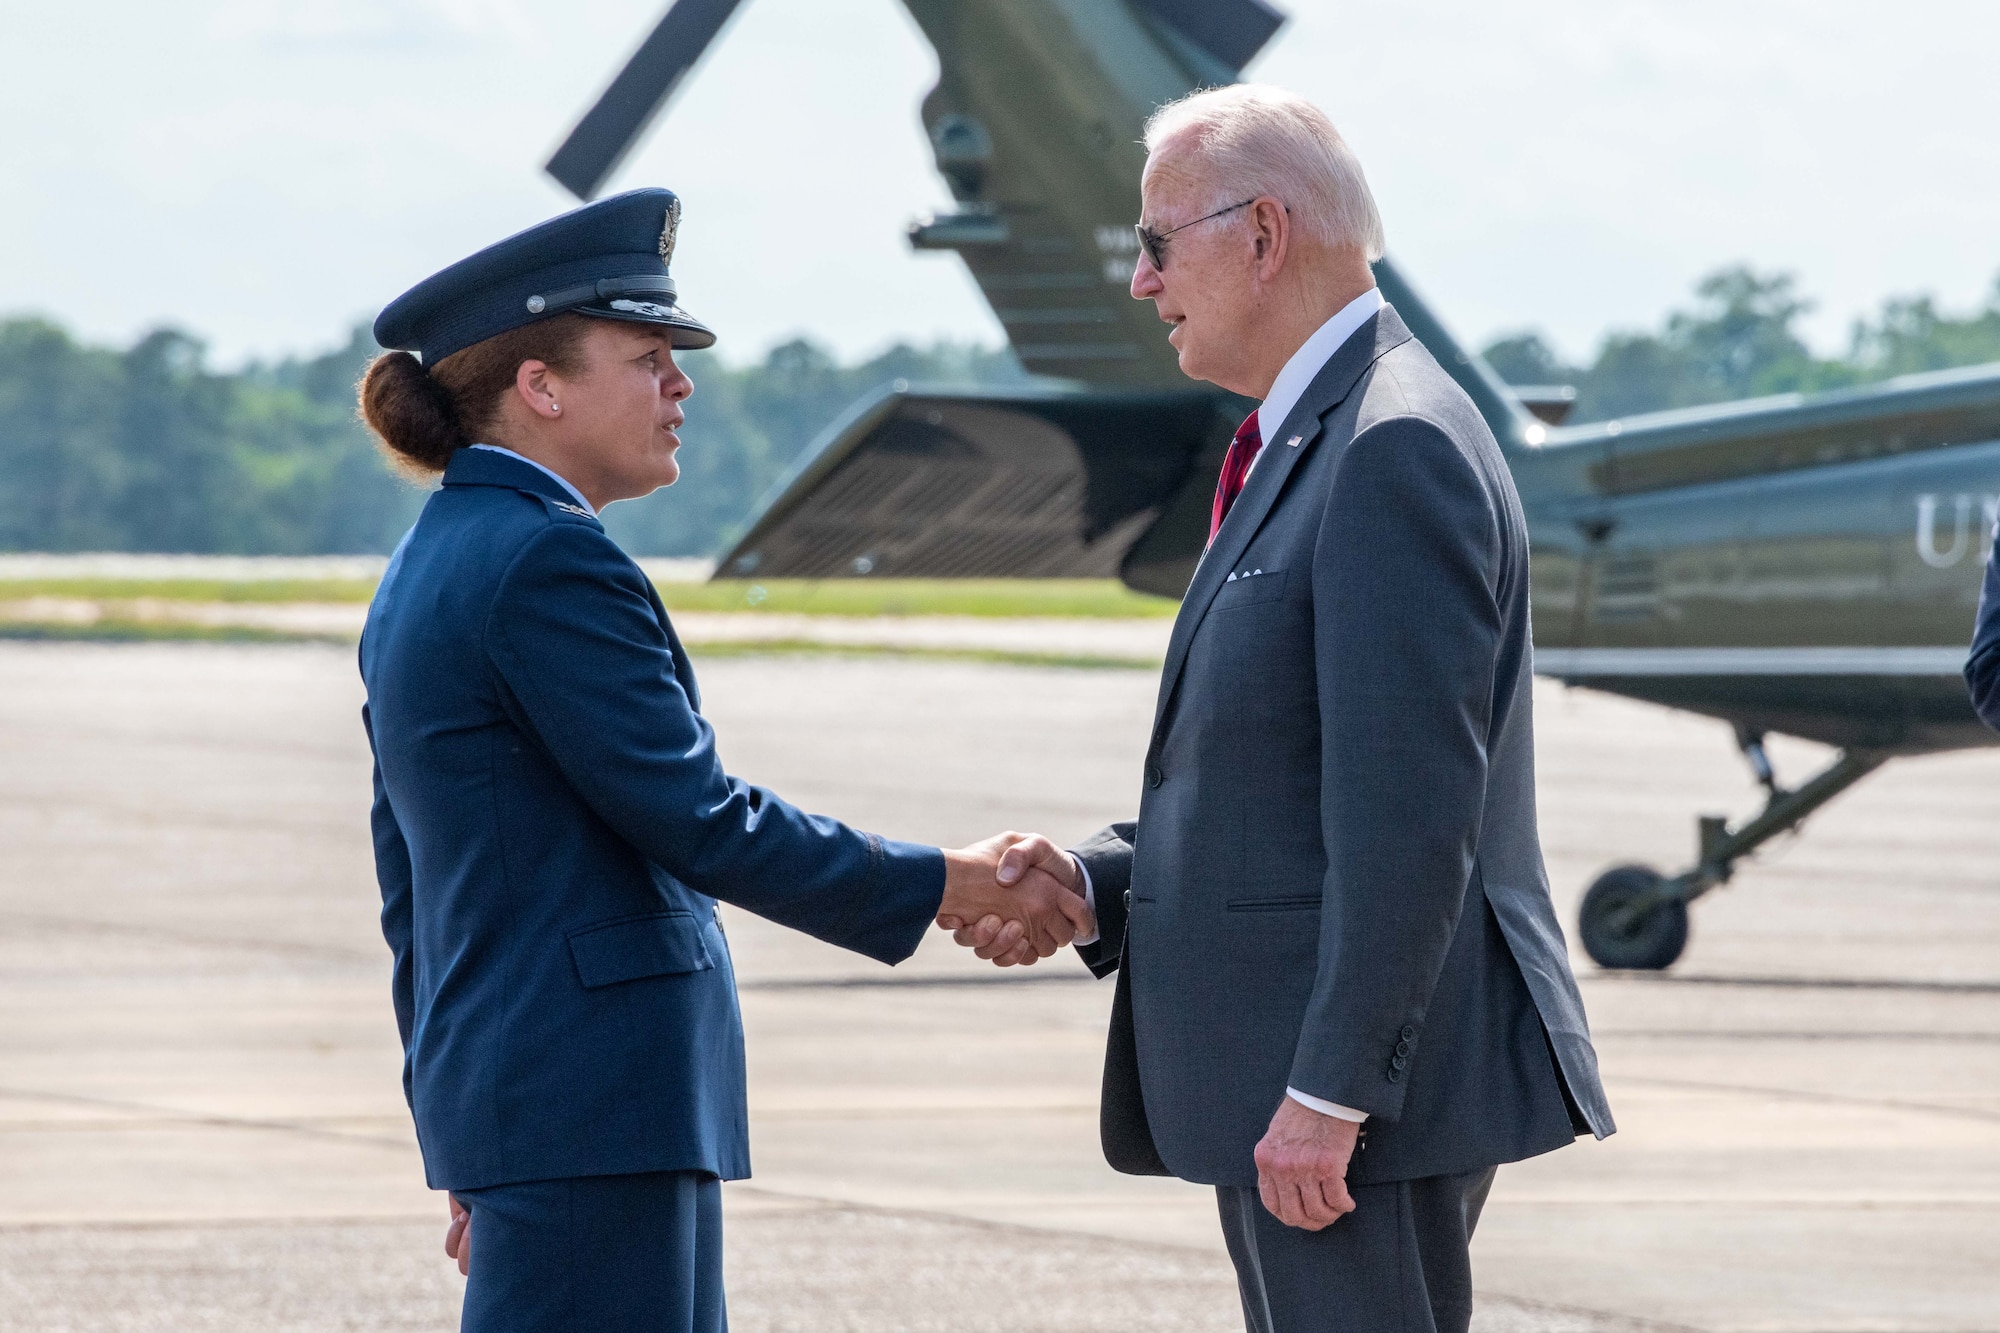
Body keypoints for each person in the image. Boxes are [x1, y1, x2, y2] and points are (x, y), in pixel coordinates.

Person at [357, 187, 1091, 1333]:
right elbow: (696, 816)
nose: (680, 384)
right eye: (647, 356)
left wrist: (464, 1134)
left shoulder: (439, 556)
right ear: (540, 388)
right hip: (596, 1106)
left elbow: (413, 888)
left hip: (539, 1110)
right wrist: (945, 878)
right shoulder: (547, 563)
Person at [948, 87, 1615, 1333]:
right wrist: (1097, 880)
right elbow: (1282, 777)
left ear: (1260, 234)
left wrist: (1331, 1088)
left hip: (1342, 1107)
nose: (1142, 285)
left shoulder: (1385, 447)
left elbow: (1413, 817)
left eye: (1154, 244)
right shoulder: (1319, 433)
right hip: (1302, 1080)